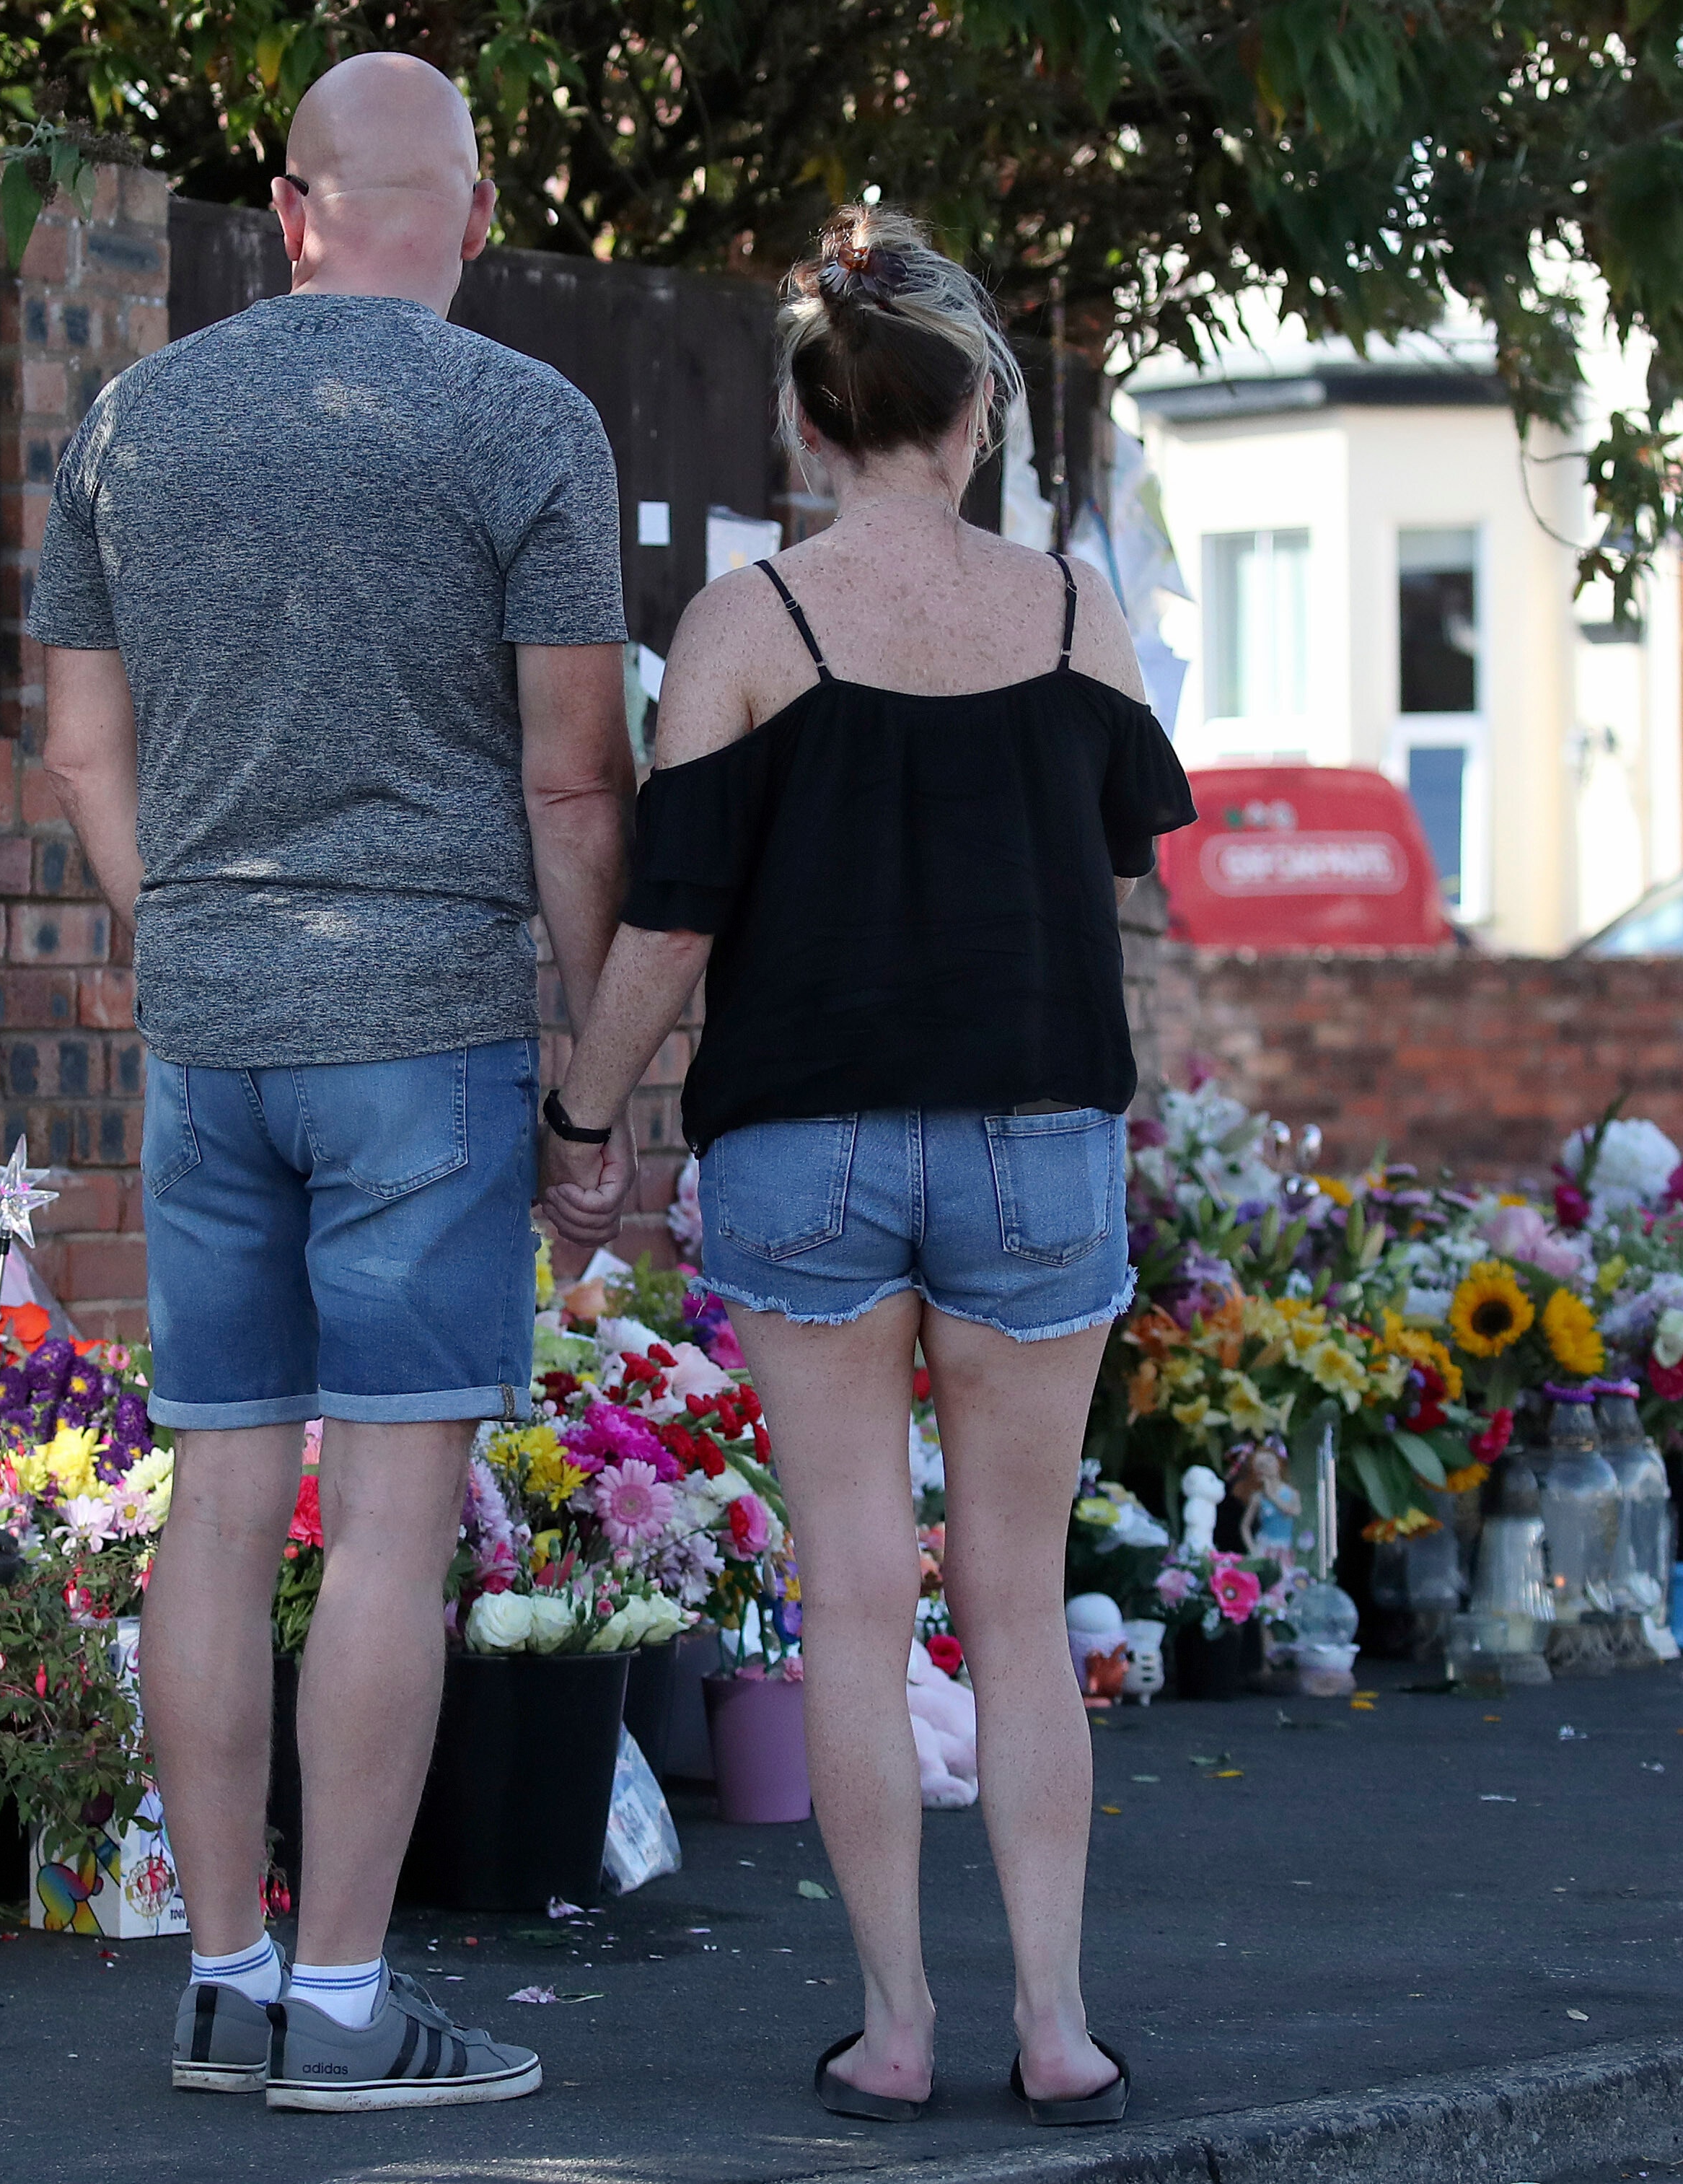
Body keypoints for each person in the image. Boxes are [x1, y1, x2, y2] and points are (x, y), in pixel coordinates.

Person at [542, 205, 1193, 2127]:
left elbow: (666, 928)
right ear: (973, 407)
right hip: (1036, 1130)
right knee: (1015, 1590)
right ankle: (1058, 2022)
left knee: (847, 1591)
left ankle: (896, 2025)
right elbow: (1123, 882)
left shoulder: (749, 624)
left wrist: (585, 1118)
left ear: (810, 430)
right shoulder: (1081, 613)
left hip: (803, 1137)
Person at [31, 51, 635, 2115]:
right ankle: (348, 2004)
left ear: (289, 211)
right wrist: (603, 1062)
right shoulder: (527, 423)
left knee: (214, 1502)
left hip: (211, 1026)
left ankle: (221, 1978)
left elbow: (82, 754)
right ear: (467, 212)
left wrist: (179, 925)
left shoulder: (129, 418)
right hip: (429, 1030)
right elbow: (573, 776)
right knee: (387, 1520)